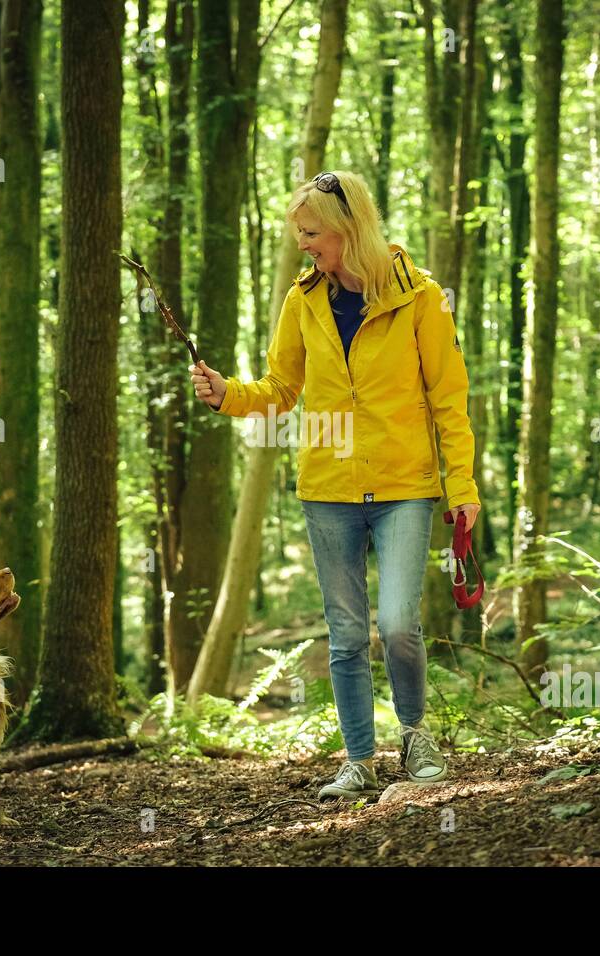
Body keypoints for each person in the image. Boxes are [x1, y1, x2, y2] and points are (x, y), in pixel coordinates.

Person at [189, 170, 481, 799]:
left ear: (349, 229)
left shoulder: (420, 297)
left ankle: (416, 734)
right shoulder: (304, 299)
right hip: (327, 489)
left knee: (400, 621)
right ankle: (358, 760)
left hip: (405, 485)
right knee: (346, 634)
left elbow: (449, 400)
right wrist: (226, 396)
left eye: (312, 232)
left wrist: (463, 488)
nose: (304, 244)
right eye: (300, 234)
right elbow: (281, 389)